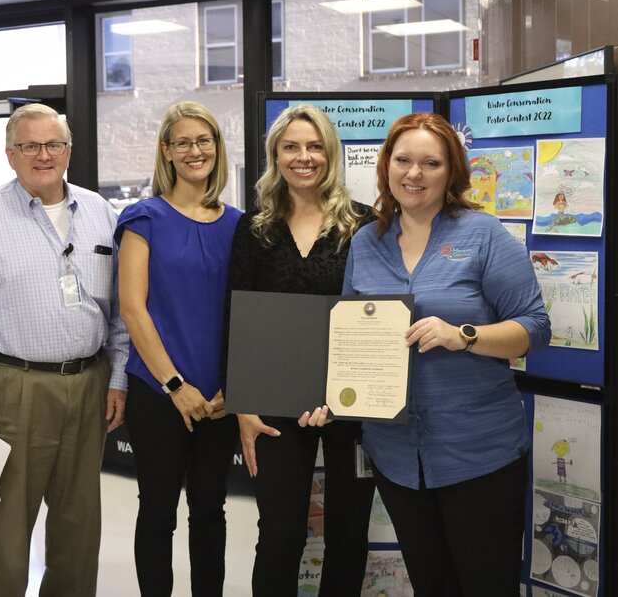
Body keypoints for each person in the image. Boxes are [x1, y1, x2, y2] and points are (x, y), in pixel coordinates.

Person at [341, 112, 550, 595]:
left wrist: (465, 335)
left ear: (451, 171)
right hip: (395, 455)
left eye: (431, 163)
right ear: (386, 166)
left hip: (478, 454)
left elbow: (535, 329)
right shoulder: (365, 244)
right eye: (404, 160)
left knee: (486, 585)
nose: (414, 174)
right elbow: (352, 336)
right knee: (432, 585)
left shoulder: (484, 235)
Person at [0, 103, 128, 597]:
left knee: (80, 522)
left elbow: (121, 310)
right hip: (11, 388)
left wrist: (118, 377)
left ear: (69, 151)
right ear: (10, 155)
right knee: (9, 525)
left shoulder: (101, 212)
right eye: (30, 146)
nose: (43, 155)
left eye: (54, 144)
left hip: (89, 383)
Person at [224, 103, 375, 596]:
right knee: (280, 534)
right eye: (291, 147)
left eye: (314, 147)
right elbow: (236, 317)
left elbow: (378, 312)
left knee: (350, 534)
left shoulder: (363, 225)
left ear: (330, 153)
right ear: (275, 155)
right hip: (274, 402)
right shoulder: (255, 228)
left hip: (351, 402)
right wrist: (243, 404)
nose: (303, 157)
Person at [116, 101, 241, 597]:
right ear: (166, 151)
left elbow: (245, 311)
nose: (195, 150)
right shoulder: (143, 217)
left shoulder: (239, 224)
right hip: (158, 392)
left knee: (211, 511)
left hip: (220, 397)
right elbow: (133, 309)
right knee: (158, 511)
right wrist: (174, 385)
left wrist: (237, 383)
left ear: (217, 148)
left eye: (204, 140)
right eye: (183, 142)